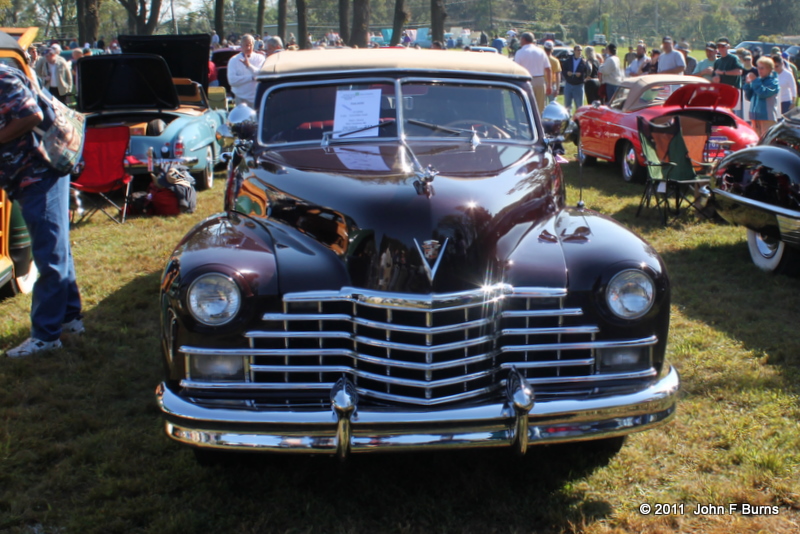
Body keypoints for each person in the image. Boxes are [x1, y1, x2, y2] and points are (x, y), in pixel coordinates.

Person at [0, 63, 83, 357]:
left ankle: (46, 335)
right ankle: (70, 317)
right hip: (31, 172)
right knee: (57, 248)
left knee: (49, 252)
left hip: (37, 170)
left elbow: (31, 113)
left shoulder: (2, 76)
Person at [513, 32, 551, 114]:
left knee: (526, 106)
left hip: (526, 81)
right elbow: (548, 69)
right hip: (540, 81)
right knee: (540, 108)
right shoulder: (541, 51)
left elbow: (515, 69)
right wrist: (549, 85)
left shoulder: (520, 52)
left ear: (523, 40)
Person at [744, 56, 780, 137]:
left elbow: (763, 93)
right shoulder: (758, 80)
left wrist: (755, 81)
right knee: (756, 141)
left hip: (767, 117)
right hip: (754, 117)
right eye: (758, 68)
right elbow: (749, 97)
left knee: (767, 142)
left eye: (762, 68)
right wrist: (747, 84)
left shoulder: (773, 82)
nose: (759, 70)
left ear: (769, 69)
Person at [227, 34, 266, 108]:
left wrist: (249, 66)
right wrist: (251, 78)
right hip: (240, 98)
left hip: (257, 98)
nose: (248, 47)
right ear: (241, 46)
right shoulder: (234, 60)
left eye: (250, 45)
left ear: (253, 45)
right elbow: (232, 81)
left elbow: (261, 75)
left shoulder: (260, 58)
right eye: (245, 45)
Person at [562, 44, 588, 111]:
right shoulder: (568, 61)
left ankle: (578, 119)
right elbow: (563, 70)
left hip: (578, 85)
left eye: (580, 50)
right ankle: (567, 119)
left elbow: (587, 72)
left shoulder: (584, 62)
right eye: (577, 50)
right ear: (574, 51)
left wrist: (581, 74)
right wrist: (567, 73)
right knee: (567, 105)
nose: (579, 51)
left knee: (579, 106)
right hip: (569, 84)